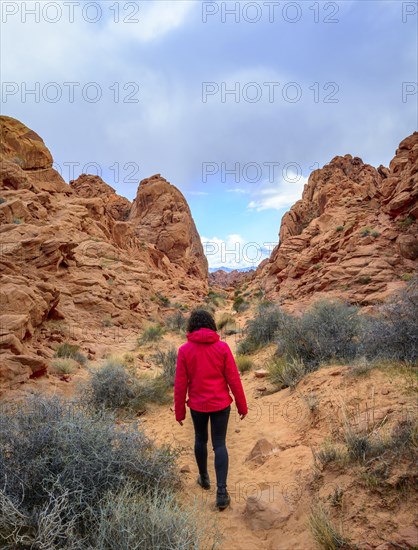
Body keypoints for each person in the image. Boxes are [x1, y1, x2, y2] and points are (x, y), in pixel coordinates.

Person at [174, 308, 248, 510]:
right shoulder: (222, 348)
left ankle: (204, 478)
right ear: (211, 325)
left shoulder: (185, 350)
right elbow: (233, 379)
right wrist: (242, 405)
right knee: (220, 444)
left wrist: (179, 411)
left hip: (197, 406)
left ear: (192, 326)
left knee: (200, 439)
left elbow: (180, 384)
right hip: (221, 404)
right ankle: (222, 492)